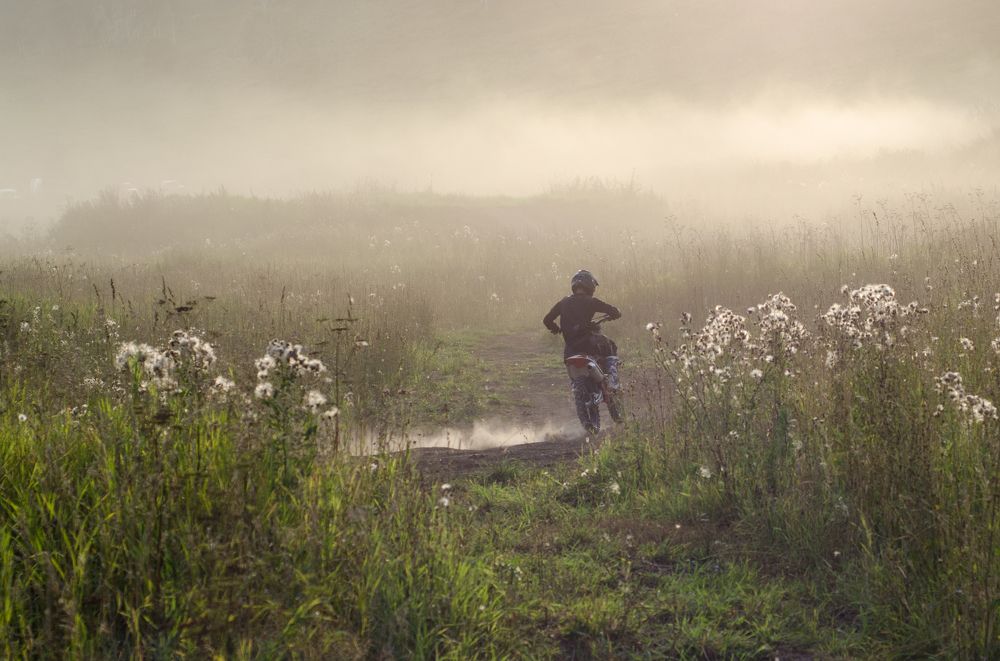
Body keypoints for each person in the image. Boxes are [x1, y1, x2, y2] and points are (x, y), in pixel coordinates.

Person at [543, 269, 621, 359]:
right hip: (588, 344)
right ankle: (611, 368)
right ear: (590, 285)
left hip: (570, 348)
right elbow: (614, 311)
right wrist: (615, 314)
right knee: (611, 346)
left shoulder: (563, 302)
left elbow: (547, 320)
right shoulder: (591, 301)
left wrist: (556, 329)